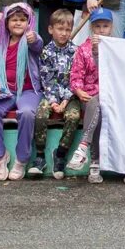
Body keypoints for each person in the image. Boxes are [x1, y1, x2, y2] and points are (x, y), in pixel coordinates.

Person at [0, 4, 45, 181]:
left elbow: (38, 45)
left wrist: (34, 38)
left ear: (29, 22)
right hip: (6, 90)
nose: (18, 23)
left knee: (26, 113)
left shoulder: (31, 38)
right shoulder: (0, 44)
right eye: (14, 20)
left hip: (28, 90)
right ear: (6, 23)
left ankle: (21, 159)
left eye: (22, 19)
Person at [28, 9, 83, 178]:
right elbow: (46, 79)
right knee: (40, 114)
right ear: (51, 29)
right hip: (50, 95)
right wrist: (53, 102)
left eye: (67, 30)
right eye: (60, 29)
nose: (64, 33)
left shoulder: (76, 51)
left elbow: (76, 78)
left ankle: (60, 154)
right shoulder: (45, 52)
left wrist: (65, 101)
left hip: (71, 96)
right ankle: (39, 156)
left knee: (73, 116)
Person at [64, 8, 115, 183]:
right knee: (96, 106)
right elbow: (76, 75)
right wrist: (78, 90)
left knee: (100, 103)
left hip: (111, 96)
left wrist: (98, 52)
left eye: (105, 26)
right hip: (89, 96)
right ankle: (94, 161)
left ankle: (84, 150)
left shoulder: (116, 48)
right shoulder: (82, 49)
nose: (101, 30)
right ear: (92, 28)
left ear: (111, 28)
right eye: (97, 26)